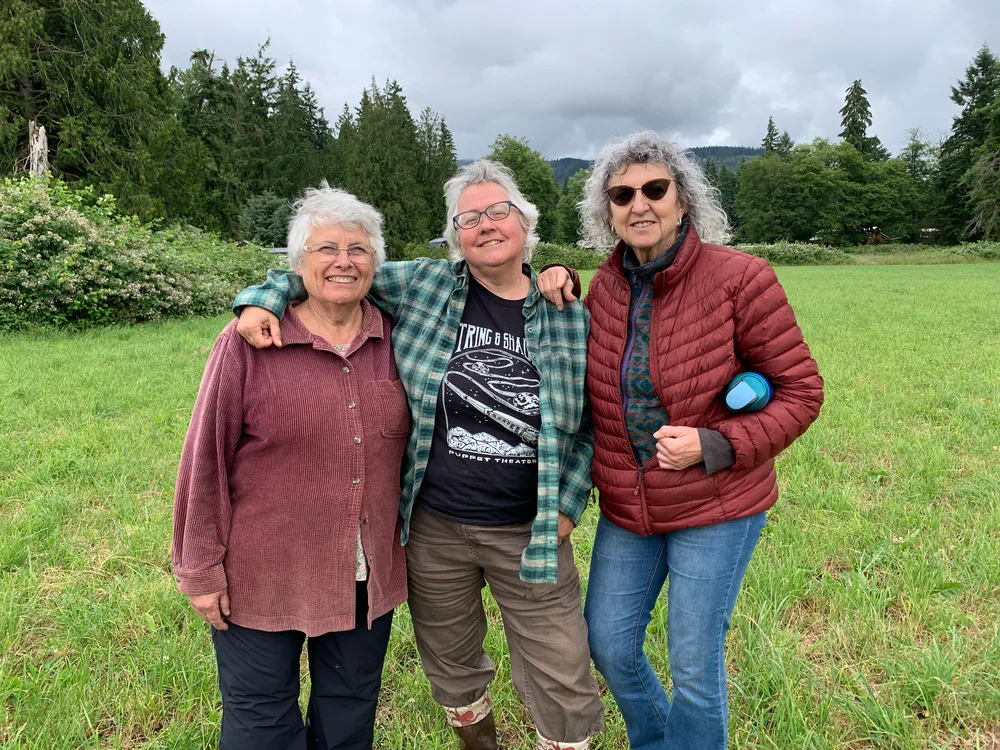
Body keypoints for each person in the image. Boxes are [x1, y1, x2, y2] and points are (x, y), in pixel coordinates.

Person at [233, 161, 604, 750]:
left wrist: (568, 504)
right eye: (468, 218)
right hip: (433, 528)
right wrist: (263, 299)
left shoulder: (570, 314)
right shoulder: (424, 286)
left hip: (529, 529)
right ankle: (479, 741)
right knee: (451, 661)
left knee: (563, 669)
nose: (485, 225)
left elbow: (589, 426)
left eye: (498, 212)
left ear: (526, 224)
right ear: (454, 236)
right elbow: (335, 267)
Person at [537, 131, 824, 750]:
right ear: (606, 213)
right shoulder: (605, 289)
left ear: (683, 199)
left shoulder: (741, 279)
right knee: (609, 644)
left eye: (654, 189)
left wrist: (713, 444)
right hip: (629, 507)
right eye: (621, 195)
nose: (639, 204)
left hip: (716, 503)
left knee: (694, 664)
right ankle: (659, 740)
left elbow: (801, 393)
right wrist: (553, 273)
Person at [171, 185, 409, 750]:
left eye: (358, 249)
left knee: (349, 717)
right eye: (326, 248)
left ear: (377, 262)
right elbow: (204, 457)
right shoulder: (249, 341)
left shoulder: (400, 339)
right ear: (297, 263)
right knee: (261, 726)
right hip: (261, 576)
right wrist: (198, 568)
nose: (343, 262)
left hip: (363, 577)